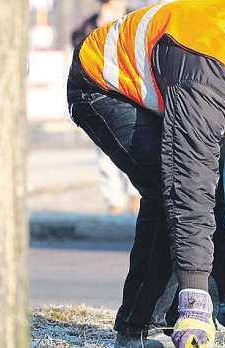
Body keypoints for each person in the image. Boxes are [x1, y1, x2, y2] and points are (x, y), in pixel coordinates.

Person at [66, 1, 225, 347]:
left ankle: (208, 314)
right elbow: (188, 187)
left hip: (174, 81)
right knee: (172, 190)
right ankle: (143, 329)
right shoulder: (207, 79)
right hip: (101, 84)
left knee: (219, 190)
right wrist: (194, 296)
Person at [71, 0, 140, 215]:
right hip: (100, 95)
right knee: (105, 154)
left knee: (135, 145)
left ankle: (135, 197)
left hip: (130, 94)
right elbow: (78, 49)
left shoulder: (136, 18)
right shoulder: (89, 26)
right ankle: (115, 202)